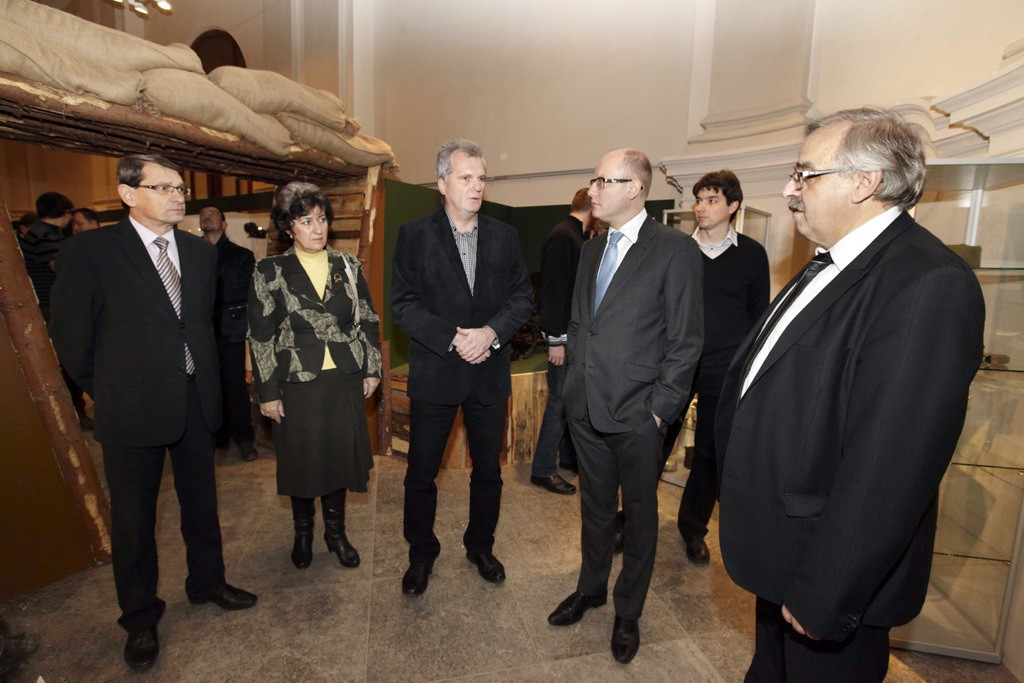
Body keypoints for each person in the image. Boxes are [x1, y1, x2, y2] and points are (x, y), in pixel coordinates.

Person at [716, 108, 985, 681]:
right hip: (785, 551)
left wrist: (825, 592)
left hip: (828, 577)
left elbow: (892, 463)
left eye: (804, 174)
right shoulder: (834, 261)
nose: (789, 189)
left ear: (865, 182)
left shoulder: (928, 282)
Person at [49, 154, 257, 673]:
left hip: (195, 398)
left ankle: (207, 583)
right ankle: (140, 617)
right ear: (127, 194)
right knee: (134, 520)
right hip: (131, 405)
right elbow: (71, 337)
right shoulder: (90, 251)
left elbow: (198, 325)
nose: (176, 196)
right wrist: (108, 390)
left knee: (202, 504)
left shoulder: (199, 252)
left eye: (179, 187)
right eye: (162, 187)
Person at [548, 148, 703, 664]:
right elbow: (579, 324)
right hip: (585, 408)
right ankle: (590, 589)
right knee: (594, 509)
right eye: (593, 181)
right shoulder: (592, 248)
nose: (593, 190)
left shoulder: (675, 249)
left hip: (639, 414)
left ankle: (628, 612)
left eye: (602, 181)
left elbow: (686, 340)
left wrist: (660, 410)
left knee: (638, 518)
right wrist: (573, 384)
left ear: (635, 188)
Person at [391, 139, 533, 596]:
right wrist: (455, 338)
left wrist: (490, 333)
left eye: (481, 178)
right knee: (421, 474)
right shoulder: (415, 235)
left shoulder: (505, 236)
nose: (476, 187)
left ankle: (480, 546)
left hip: (488, 373)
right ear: (441, 183)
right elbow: (403, 304)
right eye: (466, 177)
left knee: (488, 472)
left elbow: (522, 298)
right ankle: (421, 554)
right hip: (437, 371)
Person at [248, 182, 381, 571]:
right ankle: (303, 532)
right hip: (296, 382)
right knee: (303, 462)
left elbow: (368, 319)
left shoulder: (347, 265)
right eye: (306, 221)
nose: (317, 228)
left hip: (343, 377)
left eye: (321, 219)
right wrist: (267, 393)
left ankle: (335, 533)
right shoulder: (269, 271)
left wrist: (372, 368)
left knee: (338, 459)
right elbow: (260, 336)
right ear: (289, 227)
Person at [660, 170, 769, 564]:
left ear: (733, 206)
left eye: (712, 200)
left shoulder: (752, 254)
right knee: (655, 442)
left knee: (708, 452)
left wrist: (745, 367)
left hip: (724, 368)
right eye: (699, 200)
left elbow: (758, 316)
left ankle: (693, 529)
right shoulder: (678, 250)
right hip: (676, 363)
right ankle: (630, 520)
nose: (701, 208)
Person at [529, 187, 594, 495]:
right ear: (592, 208)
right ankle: (542, 470)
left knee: (566, 401)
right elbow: (553, 292)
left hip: (570, 337)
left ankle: (567, 459)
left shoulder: (573, 236)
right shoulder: (564, 237)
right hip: (562, 338)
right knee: (558, 402)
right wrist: (554, 340)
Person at [199, 204, 258, 461]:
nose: (207, 217)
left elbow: (245, 291)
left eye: (213, 214)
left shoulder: (241, 255)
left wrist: (210, 290)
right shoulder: (191, 254)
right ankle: (219, 434)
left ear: (223, 224)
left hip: (229, 328)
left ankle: (244, 438)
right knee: (208, 384)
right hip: (200, 329)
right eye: (203, 215)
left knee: (234, 384)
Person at [21, 191, 72, 319]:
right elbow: (60, 267)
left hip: (49, 300)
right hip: (48, 301)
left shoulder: (41, 232)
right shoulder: (43, 235)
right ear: (65, 211)